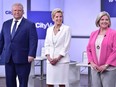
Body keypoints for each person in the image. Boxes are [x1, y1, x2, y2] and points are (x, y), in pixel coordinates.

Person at [0, 3, 38, 87]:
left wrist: (31, 54)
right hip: (8, 59)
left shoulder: (29, 24)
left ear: (23, 12)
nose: (17, 12)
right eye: (15, 10)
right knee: (10, 83)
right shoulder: (5, 24)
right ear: (11, 12)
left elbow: (33, 41)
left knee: (23, 83)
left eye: (19, 10)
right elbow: (1, 41)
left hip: (23, 59)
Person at [87, 11, 116, 87]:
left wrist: (106, 65)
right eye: (102, 19)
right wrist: (92, 63)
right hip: (95, 68)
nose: (104, 21)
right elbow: (88, 49)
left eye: (107, 19)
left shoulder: (114, 33)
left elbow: (115, 50)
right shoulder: (93, 33)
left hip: (108, 69)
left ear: (109, 22)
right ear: (98, 21)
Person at [44, 8, 71, 87]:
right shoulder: (49, 30)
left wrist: (58, 58)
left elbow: (66, 46)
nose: (59, 19)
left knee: (62, 84)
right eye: (57, 17)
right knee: (50, 83)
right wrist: (48, 57)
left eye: (60, 17)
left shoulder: (66, 29)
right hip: (50, 61)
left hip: (62, 61)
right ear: (53, 18)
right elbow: (46, 44)